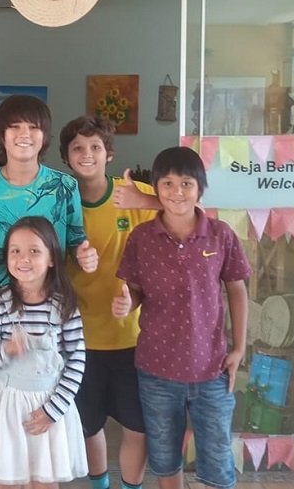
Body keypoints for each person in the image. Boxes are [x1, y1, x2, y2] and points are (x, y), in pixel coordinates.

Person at [0, 94, 98, 482]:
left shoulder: (64, 186)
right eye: (15, 126)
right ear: (0, 134)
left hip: (50, 315)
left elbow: (77, 243)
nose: (24, 134)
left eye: (34, 127)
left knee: (40, 434)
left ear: (45, 135)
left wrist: (87, 257)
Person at [113, 146, 251, 489]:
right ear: (156, 189)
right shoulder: (141, 238)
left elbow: (237, 290)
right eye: (168, 184)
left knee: (217, 457)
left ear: (200, 188)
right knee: (164, 457)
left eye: (187, 183)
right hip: (156, 371)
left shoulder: (220, 235)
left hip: (212, 369)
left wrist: (239, 348)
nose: (177, 192)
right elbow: (135, 291)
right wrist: (127, 304)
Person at [59, 116, 160, 489]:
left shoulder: (134, 194)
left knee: (138, 426)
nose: (87, 154)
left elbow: (190, 212)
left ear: (109, 154)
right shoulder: (59, 202)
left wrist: (146, 200)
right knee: (88, 426)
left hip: (134, 338)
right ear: (66, 157)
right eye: (77, 148)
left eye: (95, 147)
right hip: (79, 340)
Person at [0, 216, 88, 488]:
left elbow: (77, 360)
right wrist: (7, 349)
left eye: (34, 251)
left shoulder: (65, 306)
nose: (24, 258)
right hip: (7, 408)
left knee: (44, 480)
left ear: (51, 258)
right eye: (15, 251)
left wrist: (53, 410)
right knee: (7, 479)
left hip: (49, 406)